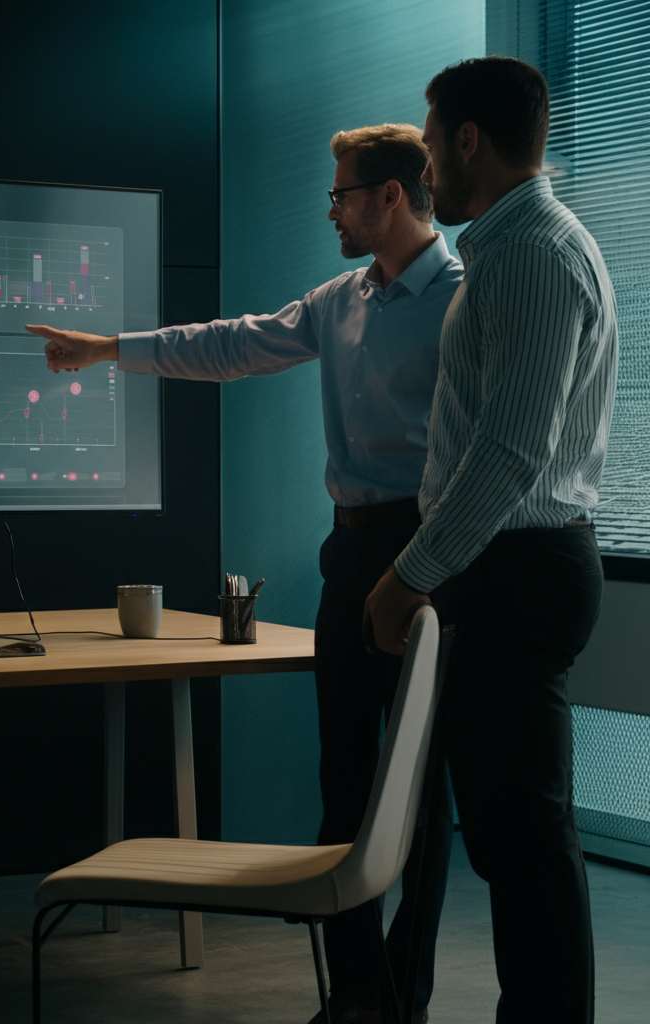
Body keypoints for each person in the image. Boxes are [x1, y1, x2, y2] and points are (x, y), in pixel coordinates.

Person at [27, 123, 462, 1024]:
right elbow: (230, 345)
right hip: (350, 552)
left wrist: (433, 562)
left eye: (343, 194)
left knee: (420, 793)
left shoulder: (466, 299)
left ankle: (405, 998)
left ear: (390, 196)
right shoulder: (338, 300)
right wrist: (108, 349)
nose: (331, 210)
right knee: (345, 781)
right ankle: (358, 998)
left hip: (430, 557)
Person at [364, 58, 618, 1024]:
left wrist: (408, 575)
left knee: (527, 840)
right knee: (513, 840)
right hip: (506, 566)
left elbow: (511, 451)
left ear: (469, 139)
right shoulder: (517, 247)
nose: (427, 167)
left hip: (518, 569)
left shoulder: (532, 255)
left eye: (432, 143)